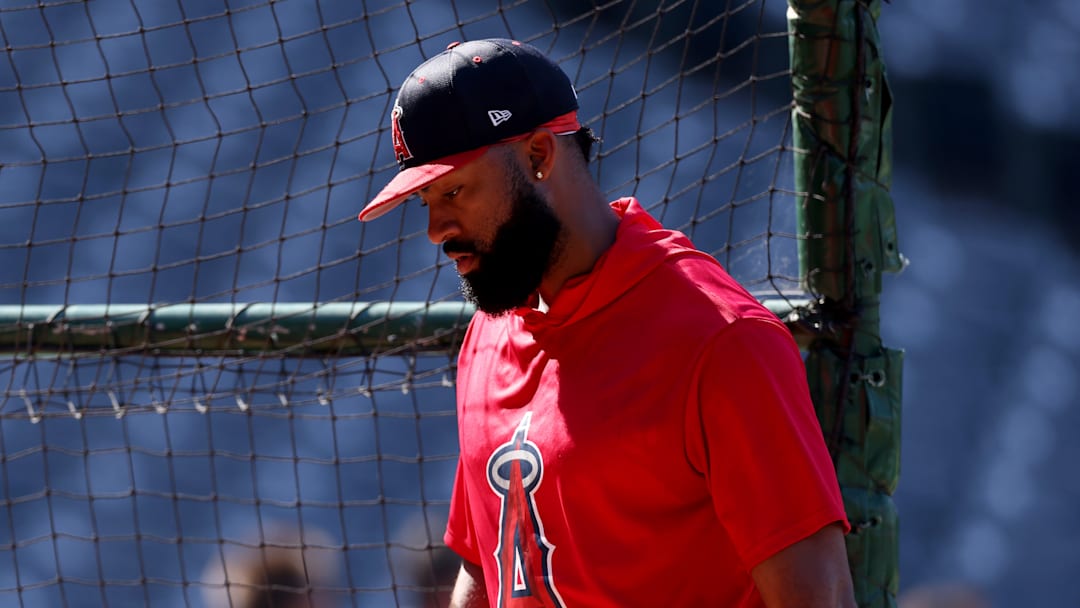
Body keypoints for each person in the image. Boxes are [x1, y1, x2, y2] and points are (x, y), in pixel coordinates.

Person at [359, 38, 855, 607]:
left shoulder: (720, 339)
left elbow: (821, 598)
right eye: (425, 200)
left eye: (452, 190)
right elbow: (487, 565)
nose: (436, 228)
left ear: (540, 156)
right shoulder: (488, 335)